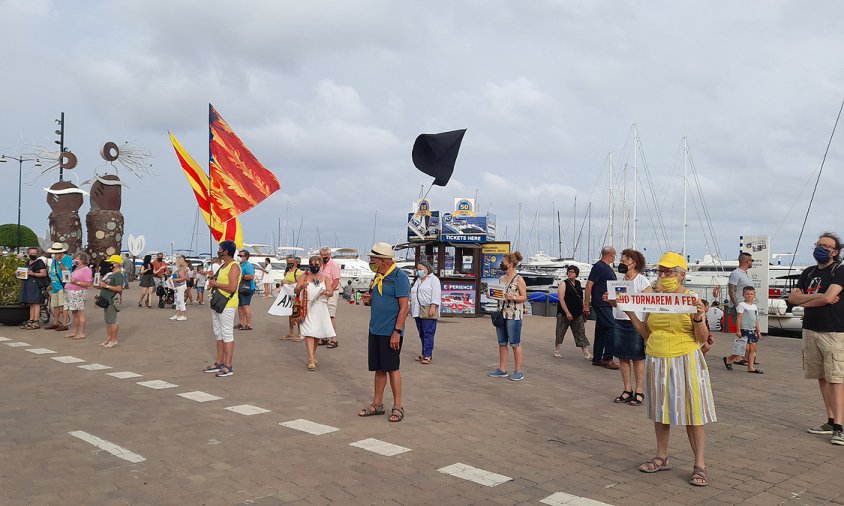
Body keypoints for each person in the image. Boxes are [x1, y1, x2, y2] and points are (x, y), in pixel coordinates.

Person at [623, 252, 716, 486]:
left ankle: (700, 464)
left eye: (669, 272)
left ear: (681, 275)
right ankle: (661, 456)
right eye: (660, 272)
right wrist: (629, 311)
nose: (663, 276)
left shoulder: (691, 298)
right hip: (657, 357)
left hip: (685, 357)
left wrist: (698, 317)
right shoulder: (654, 299)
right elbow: (646, 332)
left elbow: (702, 338)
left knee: (693, 412)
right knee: (660, 411)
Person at [787, 232, 844, 446]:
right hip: (811, 329)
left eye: (827, 246)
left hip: (834, 331)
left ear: (835, 252)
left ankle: (839, 426)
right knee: (820, 375)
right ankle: (830, 419)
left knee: (836, 378)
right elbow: (792, 298)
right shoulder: (808, 272)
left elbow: (831, 297)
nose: (821, 248)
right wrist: (819, 299)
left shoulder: (839, 270)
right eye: (819, 244)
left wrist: (805, 300)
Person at [358, 242, 410, 423]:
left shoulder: (399, 277)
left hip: (391, 331)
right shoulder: (378, 276)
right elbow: (377, 300)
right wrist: (369, 300)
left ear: (383, 259)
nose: (371, 261)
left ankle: (398, 406)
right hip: (375, 329)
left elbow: (404, 307)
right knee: (379, 369)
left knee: (392, 368)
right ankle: (377, 404)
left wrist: (397, 331)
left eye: (373, 258)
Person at [604, 249, 651, 406]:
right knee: (622, 356)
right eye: (621, 262)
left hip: (636, 322)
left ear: (634, 263)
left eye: (624, 262)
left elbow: (648, 303)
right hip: (619, 319)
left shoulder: (642, 281)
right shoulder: (619, 281)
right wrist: (609, 299)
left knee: (637, 358)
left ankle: (639, 390)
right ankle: (627, 389)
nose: (621, 264)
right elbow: (617, 304)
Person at [487, 251, 528, 381]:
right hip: (501, 313)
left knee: (515, 343)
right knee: (502, 342)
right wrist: (491, 295)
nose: (501, 264)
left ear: (510, 264)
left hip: (514, 315)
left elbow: (524, 297)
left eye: (503, 262)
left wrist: (514, 297)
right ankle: (502, 369)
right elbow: (499, 295)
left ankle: (518, 371)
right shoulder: (501, 279)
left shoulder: (519, 279)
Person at [204, 241, 241, 378]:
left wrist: (216, 284)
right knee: (218, 333)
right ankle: (219, 362)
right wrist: (211, 278)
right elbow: (216, 283)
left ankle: (228, 365)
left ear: (225, 251)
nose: (218, 251)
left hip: (227, 304)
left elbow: (232, 287)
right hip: (217, 302)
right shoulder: (222, 266)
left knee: (227, 334)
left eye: (220, 249)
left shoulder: (234, 266)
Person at [295, 256, 336, 370]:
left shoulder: (325, 278)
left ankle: (312, 354)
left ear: (321, 265)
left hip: (320, 307)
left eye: (317, 265)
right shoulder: (304, 276)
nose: (314, 267)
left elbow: (331, 292)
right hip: (307, 306)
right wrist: (301, 287)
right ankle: (311, 359)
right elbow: (296, 290)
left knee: (317, 333)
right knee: (309, 332)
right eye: (312, 264)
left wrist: (326, 293)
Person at [584, 246, 619, 369]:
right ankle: (607, 358)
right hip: (601, 303)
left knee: (601, 330)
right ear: (611, 254)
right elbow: (589, 285)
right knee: (611, 328)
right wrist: (586, 304)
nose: (615, 256)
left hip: (606, 303)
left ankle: (597, 358)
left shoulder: (605, 268)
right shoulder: (599, 266)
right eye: (614, 254)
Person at [554, 266, 592, 360]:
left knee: (580, 332)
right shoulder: (564, 283)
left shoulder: (578, 283)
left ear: (576, 274)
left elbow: (580, 297)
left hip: (577, 312)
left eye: (572, 272)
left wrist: (584, 308)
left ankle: (586, 353)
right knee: (560, 331)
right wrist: (567, 312)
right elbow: (561, 298)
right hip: (564, 312)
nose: (570, 273)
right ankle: (557, 349)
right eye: (569, 272)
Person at [723, 287, 763, 373]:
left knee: (752, 349)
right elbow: (739, 318)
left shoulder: (754, 306)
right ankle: (729, 358)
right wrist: (738, 330)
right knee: (743, 348)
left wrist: (758, 331)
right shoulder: (741, 305)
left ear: (754, 295)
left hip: (752, 330)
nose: (749, 296)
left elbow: (756, 319)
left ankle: (750, 367)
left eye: (751, 294)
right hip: (744, 329)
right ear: (743, 295)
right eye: (747, 294)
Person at [410, 260, 441, 365]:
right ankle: (424, 353)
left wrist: (433, 306)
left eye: (421, 269)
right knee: (422, 333)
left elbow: (436, 294)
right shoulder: (418, 280)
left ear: (427, 269)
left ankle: (428, 355)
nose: (419, 271)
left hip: (428, 308)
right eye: (418, 269)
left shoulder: (434, 280)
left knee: (428, 333)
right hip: (417, 309)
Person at [64, 251, 93, 340]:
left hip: (78, 293)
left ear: (82, 260)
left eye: (77, 259)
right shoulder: (76, 268)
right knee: (74, 313)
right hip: (71, 292)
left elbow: (88, 283)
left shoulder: (86, 269)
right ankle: (74, 331)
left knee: (80, 313)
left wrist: (76, 282)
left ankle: (81, 333)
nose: (75, 260)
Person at [98, 254, 125, 348]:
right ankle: (109, 338)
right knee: (108, 320)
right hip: (106, 300)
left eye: (112, 262)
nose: (110, 264)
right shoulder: (111, 274)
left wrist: (106, 286)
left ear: (117, 263)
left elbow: (119, 288)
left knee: (112, 320)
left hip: (112, 300)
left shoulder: (118, 275)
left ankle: (114, 340)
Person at [45, 242, 73, 332]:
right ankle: (56, 322)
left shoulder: (67, 258)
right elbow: (53, 272)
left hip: (62, 285)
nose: (55, 254)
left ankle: (64, 324)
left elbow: (67, 270)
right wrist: (50, 284)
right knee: (55, 305)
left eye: (56, 253)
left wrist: (59, 261)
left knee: (63, 305)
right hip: (54, 285)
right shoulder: (54, 259)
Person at [318, 247, 342, 348]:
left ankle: (334, 339)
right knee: (323, 315)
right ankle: (324, 337)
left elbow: (336, 280)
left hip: (332, 291)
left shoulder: (334, 265)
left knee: (331, 316)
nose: (324, 257)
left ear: (329, 255)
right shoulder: (320, 265)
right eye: (322, 255)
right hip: (322, 292)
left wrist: (330, 291)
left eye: (325, 255)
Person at [19, 247, 47, 330]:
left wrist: (33, 273)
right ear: (28, 254)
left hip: (36, 285)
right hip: (28, 284)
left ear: (37, 254)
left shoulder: (39, 262)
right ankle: (31, 320)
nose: (33, 255)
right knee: (31, 303)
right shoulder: (27, 262)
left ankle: (36, 321)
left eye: (34, 254)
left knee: (36, 303)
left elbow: (44, 274)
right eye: (31, 254)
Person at [727, 252, 754, 332]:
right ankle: (741, 344)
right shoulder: (736, 273)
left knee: (747, 330)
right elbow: (731, 291)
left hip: (745, 306)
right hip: (739, 307)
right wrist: (737, 306)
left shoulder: (744, 273)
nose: (752, 262)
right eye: (751, 260)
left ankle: (746, 344)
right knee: (742, 331)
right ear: (747, 261)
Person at [281, 255, 304, 340]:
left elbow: (299, 283)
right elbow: (285, 281)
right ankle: (291, 332)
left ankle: (300, 332)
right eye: (288, 261)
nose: (289, 263)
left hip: (296, 296)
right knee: (290, 314)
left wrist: (288, 283)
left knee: (297, 314)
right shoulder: (287, 272)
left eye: (291, 261)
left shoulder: (298, 272)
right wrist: (283, 283)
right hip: (288, 296)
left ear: (295, 262)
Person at [236, 250, 255, 330]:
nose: (239, 257)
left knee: (245, 306)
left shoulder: (248, 265)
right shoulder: (239, 264)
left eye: (241, 256)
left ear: (246, 257)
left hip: (247, 288)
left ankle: (249, 324)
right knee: (240, 306)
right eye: (238, 255)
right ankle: (241, 323)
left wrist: (241, 276)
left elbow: (251, 276)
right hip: (240, 288)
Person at [170, 255, 189, 321]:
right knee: (177, 300)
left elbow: (184, 278)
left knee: (180, 300)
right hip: (177, 286)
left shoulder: (183, 269)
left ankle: (183, 315)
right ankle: (177, 314)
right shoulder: (181, 268)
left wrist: (175, 280)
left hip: (180, 285)